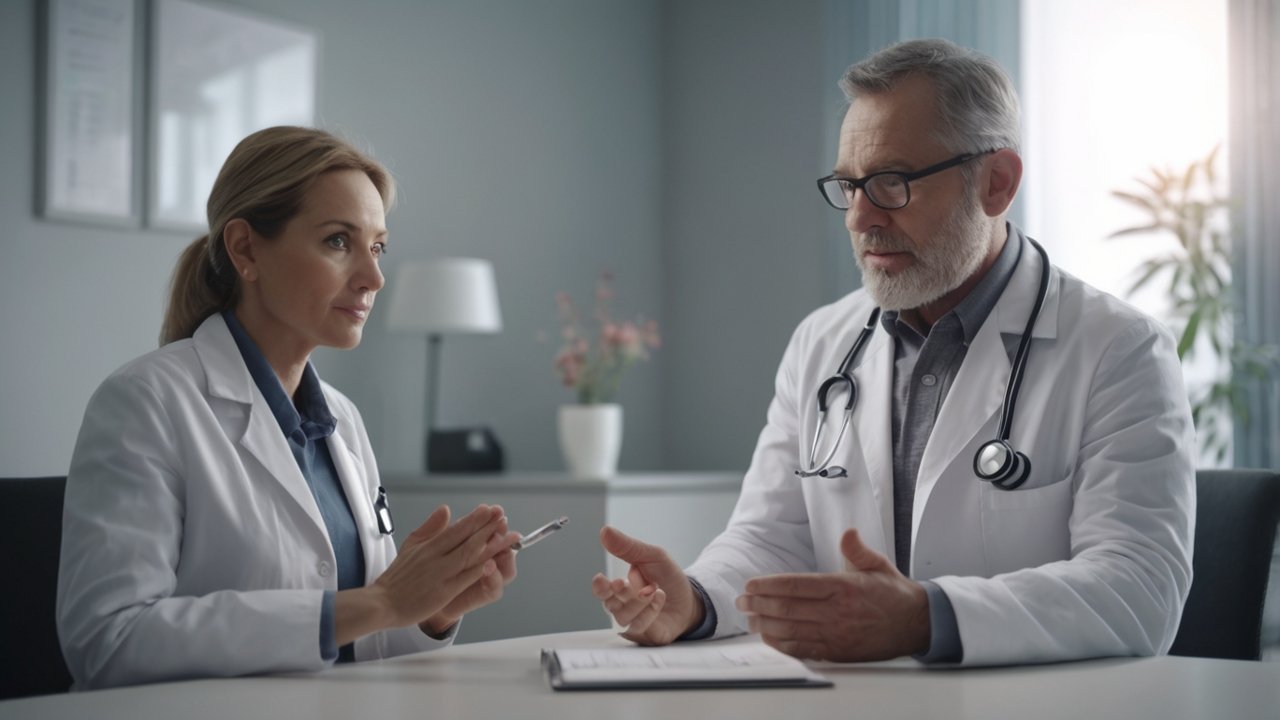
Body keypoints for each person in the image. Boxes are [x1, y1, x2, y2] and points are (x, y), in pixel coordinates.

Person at [591, 38, 1195, 666]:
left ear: (997, 182)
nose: (860, 218)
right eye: (849, 186)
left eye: (891, 182)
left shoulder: (1119, 350)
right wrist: (691, 601)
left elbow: (1138, 589)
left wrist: (925, 618)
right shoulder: (822, 342)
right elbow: (773, 537)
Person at [57, 126, 520, 689]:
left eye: (377, 247)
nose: (374, 277)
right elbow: (109, 641)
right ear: (246, 249)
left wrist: (431, 608)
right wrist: (379, 602)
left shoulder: (343, 421)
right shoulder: (145, 402)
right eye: (338, 241)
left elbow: (370, 645)